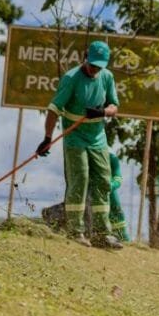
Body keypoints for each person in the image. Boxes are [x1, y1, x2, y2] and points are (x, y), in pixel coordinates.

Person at [35, 40, 123, 249]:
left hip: (97, 137)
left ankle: (103, 234)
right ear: (85, 58)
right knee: (80, 177)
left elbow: (114, 106)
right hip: (75, 137)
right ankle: (76, 231)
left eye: (99, 66)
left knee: (103, 180)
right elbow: (54, 109)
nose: (95, 69)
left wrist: (102, 112)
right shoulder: (71, 78)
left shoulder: (107, 77)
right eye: (93, 65)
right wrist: (47, 138)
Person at [108, 152, 130, 242]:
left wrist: (110, 186)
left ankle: (123, 238)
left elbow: (118, 178)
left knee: (117, 213)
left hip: (110, 193)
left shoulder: (111, 158)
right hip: (90, 193)